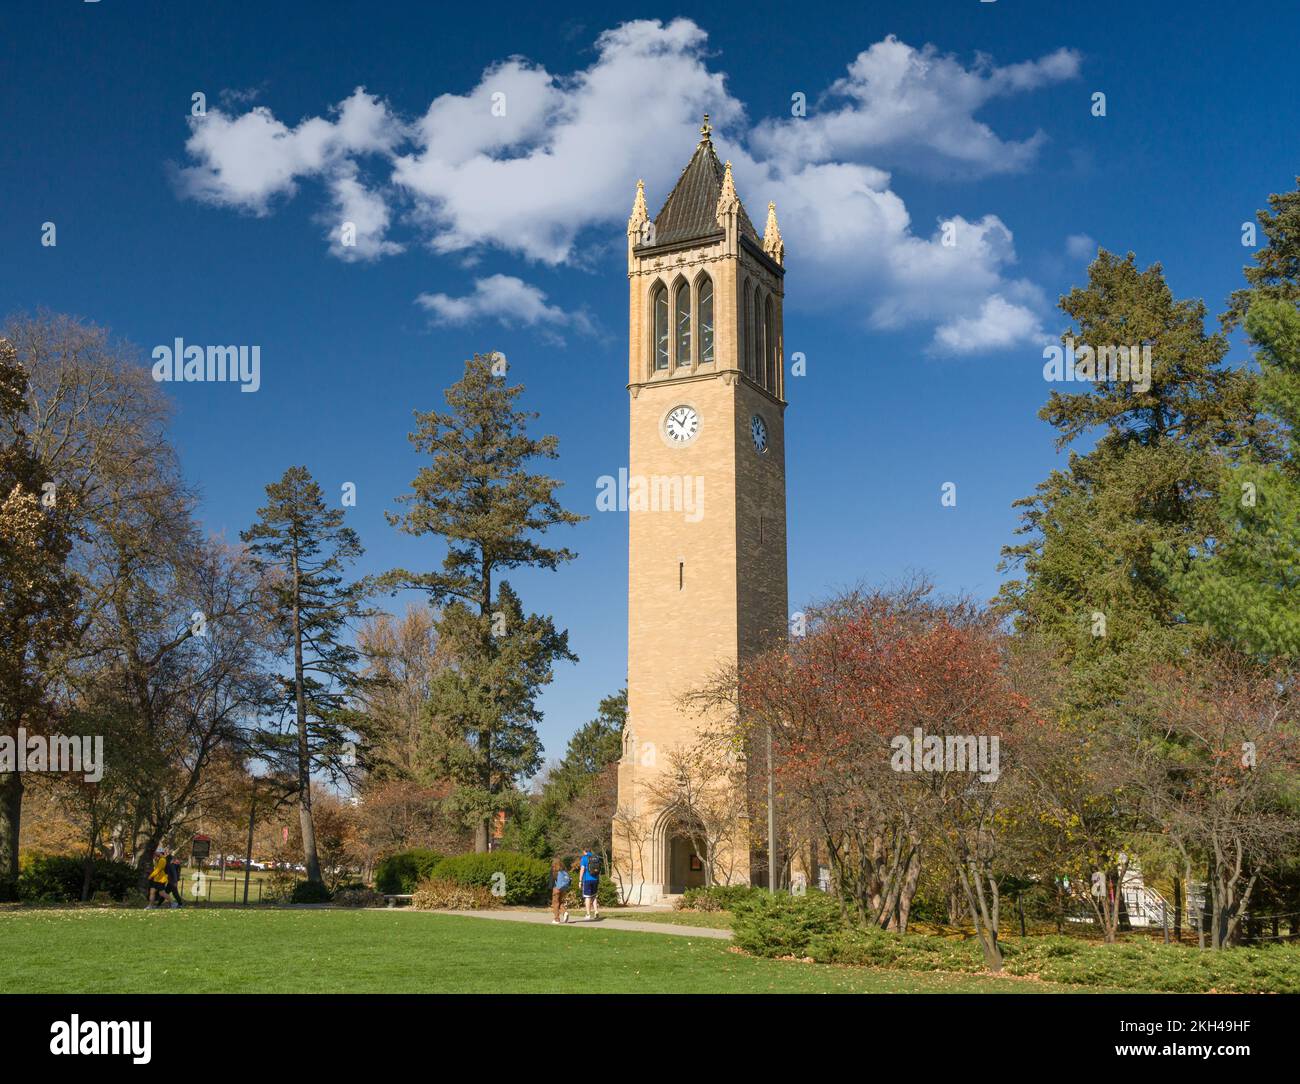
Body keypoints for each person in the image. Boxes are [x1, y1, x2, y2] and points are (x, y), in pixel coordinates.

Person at [573, 847, 601, 921]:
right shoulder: (596, 857)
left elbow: (582, 870)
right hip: (595, 879)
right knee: (594, 896)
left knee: (587, 897)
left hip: (587, 880)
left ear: (584, 851)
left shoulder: (584, 858)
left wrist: (580, 881)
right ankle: (596, 912)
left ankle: (588, 914)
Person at [549, 858, 571, 924]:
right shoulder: (564, 870)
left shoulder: (555, 870)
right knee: (560, 902)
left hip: (556, 888)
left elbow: (552, 880)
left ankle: (556, 919)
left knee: (555, 903)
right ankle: (565, 912)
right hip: (563, 889)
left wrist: (550, 888)